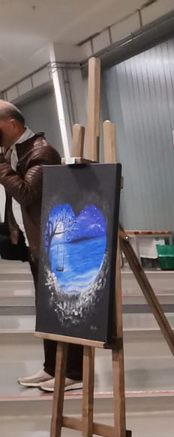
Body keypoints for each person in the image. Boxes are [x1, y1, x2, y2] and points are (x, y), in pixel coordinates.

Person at [0, 101, 82, 391]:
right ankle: (52, 368)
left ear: (12, 124)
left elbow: (27, 193)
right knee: (46, 310)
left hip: (56, 244)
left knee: (64, 309)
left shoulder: (41, 152)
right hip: (36, 244)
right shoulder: (15, 152)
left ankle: (74, 372)